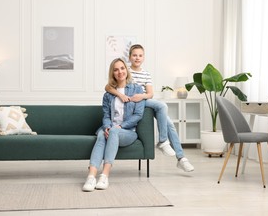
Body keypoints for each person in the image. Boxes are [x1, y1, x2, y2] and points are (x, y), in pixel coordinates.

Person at [105, 44, 194, 172]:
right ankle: (165, 143)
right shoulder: (124, 70)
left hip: (142, 101)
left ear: (144, 57)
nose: (137, 58)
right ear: (129, 57)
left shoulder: (146, 74)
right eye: (134, 55)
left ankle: (181, 157)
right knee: (162, 106)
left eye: (140, 55)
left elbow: (150, 94)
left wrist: (140, 96)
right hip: (132, 104)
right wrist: (121, 95)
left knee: (169, 123)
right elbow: (108, 87)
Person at [82, 58, 145, 192]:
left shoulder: (137, 89)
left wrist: (120, 127)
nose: (120, 72)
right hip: (110, 128)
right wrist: (107, 127)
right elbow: (106, 115)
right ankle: (91, 177)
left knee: (114, 132)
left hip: (127, 131)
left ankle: (104, 175)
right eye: (116, 69)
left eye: (122, 68)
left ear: (126, 70)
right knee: (100, 135)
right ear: (113, 73)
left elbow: (138, 115)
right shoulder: (108, 95)